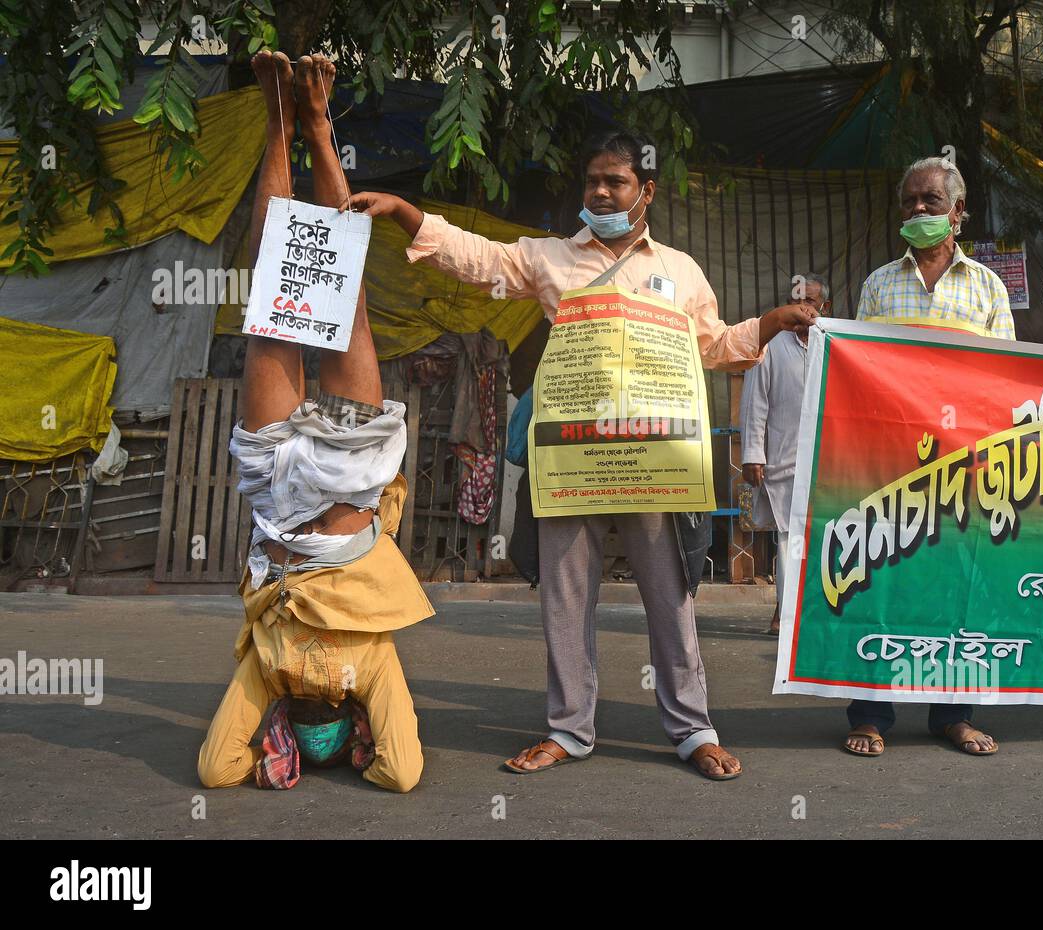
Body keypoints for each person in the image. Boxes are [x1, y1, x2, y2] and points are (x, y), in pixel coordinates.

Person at [342, 130, 816, 780]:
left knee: (670, 596)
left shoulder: (679, 271)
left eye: (615, 181)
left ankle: (693, 729)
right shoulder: (550, 259)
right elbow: (478, 258)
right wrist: (403, 213)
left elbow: (714, 346)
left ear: (645, 192)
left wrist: (768, 323)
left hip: (656, 462)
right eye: (592, 180)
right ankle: (569, 729)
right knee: (564, 598)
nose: (599, 191)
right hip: (572, 460)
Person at [196, 51, 432, 793]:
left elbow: (217, 769)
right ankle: (320, 128)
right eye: (322, 725)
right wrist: (367, 736)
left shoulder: (265, 671)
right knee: (344, 295)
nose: (314, 713)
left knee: (275, 300)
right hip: (353, 483)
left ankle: (278, 121)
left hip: (277, 499)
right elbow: (402, 773)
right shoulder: (375, 667)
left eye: (305, 729)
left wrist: (266, 739)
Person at [847, 155, 1013, 758]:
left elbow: (1005, 382)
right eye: (909, 202)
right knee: (881, 584)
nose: (918, 211)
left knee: (957, 590)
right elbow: (859, 374)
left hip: (964, 471)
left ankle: (953, 714)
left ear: (958, 213)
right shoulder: (878, 285)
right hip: (891, 466)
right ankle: (870, 715)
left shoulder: (988, 289)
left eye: (931, 202)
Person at [740, 274, 830, 635]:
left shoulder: (835, 343)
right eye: (798, 301)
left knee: (827, 537)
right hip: (784, 458)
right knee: (789, 537)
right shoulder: (772, 345)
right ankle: (786, 612)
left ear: (826, 308)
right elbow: (755, 402)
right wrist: (752, 453)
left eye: (811, 301)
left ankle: (815, 612)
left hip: (829, 460)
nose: (805, 308)